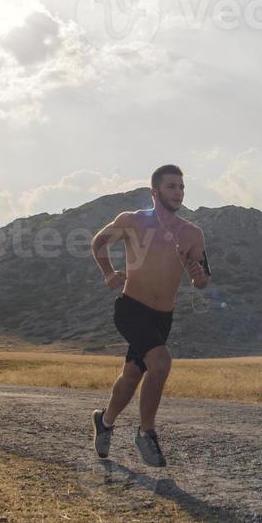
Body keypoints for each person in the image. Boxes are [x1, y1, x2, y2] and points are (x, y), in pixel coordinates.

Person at [89, 164, 210, 467]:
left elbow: (202, 279)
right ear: (154, 192)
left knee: (132, 377)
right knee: (161, 361)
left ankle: (104, 421)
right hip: (131, 307)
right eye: (172, 187)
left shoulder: (193, 233)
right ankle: (146, 433)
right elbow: (98, 242)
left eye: (181, 187)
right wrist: (107, 273)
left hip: (162, 317)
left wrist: (198, 274)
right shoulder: (133, 221)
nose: (178, 192)